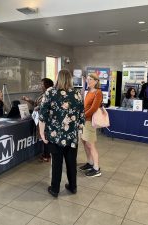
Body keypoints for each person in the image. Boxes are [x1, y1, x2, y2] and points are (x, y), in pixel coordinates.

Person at [39, 69, 84, 197]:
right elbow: (81, 115)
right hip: (71, 136)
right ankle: (73, 186)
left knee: (57, 163)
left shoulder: (50, 92)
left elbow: (43, 115)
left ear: (58, 78)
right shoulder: (77, 93)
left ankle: (55, 189)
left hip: (55, 135)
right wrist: (79, 133)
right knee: (71, 162)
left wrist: (42, 133)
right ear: (70, 79)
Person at [22, 78, 54, 162]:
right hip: (40, 119)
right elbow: (36, 104)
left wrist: (39, 107)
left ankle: (47, 155)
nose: (41, 86)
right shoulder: (42, 94)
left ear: (47, 86)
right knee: (44, 137)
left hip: (46, 120)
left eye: (42, 85)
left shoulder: (50, 95)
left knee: (46, 137)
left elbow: (47, 106)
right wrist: (28, 100)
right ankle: (46, 153)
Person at [79, 73, 103, 177]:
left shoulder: (98, 92)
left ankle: (96, 168)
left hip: (89, 121)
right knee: (84, 142)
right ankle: (90, 162)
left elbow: (93, 108)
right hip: (84, 120)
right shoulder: (89, 91)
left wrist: (83, 116)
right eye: (87, 79)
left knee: (91, 144)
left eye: (90, 80)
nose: (88, 81)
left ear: (96, 81)